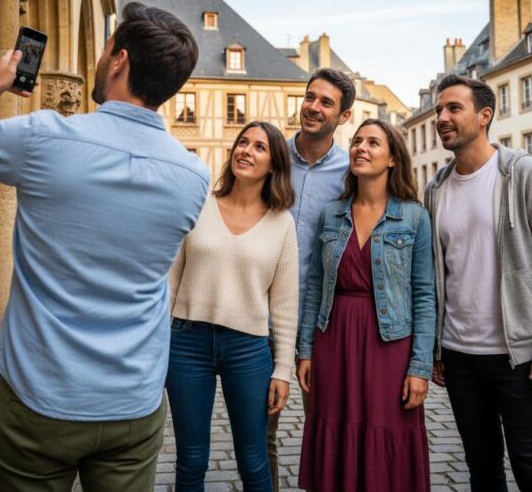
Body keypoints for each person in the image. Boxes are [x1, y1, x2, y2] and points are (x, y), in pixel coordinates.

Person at [0, 2, 208, 491]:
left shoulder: (47, 136)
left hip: (40, 396)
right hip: (133, 401)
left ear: (119, 61)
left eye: (104, 50)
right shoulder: (194, 175)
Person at [424, 74, 532, 492]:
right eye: (439, 110)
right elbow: (437, 275)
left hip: (520, 356)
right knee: (482, 469)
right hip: (459, 357)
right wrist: (435, 347)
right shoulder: (435, 189)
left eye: (453, 108)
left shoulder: (522, 174)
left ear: (484, 116)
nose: (442, 117)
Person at [296, 118, 436, 492]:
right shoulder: (331, 213)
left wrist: (420, 367)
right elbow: (314, 286)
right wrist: (305, 350)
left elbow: (424, 295)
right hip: (334, 339)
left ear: (392, 158)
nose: (361, 147)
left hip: (389, 344)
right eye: (357, 141)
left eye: (373, 142)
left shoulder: (414, 217)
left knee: (387, 434)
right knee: (335, 429)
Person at [167, 121, 299, 492]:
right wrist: (159, 342)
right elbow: (170, 281)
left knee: (254, 461)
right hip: (186, 344)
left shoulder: (281, 223)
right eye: (243, 143)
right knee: (191, 460)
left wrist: (283, 370)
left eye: (259, 147)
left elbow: (286, 304)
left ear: (274, 164)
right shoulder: (199, 206)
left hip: (248, 349)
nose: (247, 151)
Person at [266, 67, 356, 490]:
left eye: (326, 102)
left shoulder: (352, 175)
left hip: (324, 325)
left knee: (327, 433)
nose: (313, 107)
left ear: (344, 116)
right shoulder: (272, 158)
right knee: (259, 436)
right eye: (310, 97)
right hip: (265, 320)